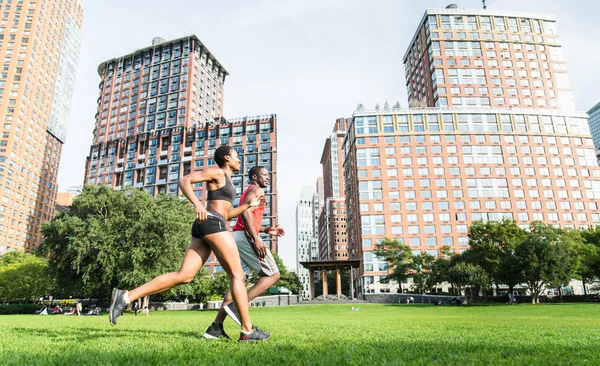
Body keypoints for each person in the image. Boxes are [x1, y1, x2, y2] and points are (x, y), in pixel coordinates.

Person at [109, 145, 270, 342]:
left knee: (184, 275)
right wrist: (198, 203)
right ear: (227, 157)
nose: (239, 160)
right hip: (212, 223)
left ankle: (125, 297)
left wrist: (247, 206)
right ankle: (247, 330)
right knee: (237, 275)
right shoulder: (217, 171)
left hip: (209, 224)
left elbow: (227, 214)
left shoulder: (227, 180)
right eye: (236, 157)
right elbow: (185, 180)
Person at [203, 166, 285, 340]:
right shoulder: (255, 190)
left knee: (237, 280)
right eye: (264, 174)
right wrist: (256, 240)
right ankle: (237, 306)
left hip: (239, 236)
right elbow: (246, 213)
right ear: (254, 176)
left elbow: (247, 218)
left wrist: (267, 229)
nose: (267, 177)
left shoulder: (251, 190)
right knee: (273, 274)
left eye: (268, 174)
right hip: (245, 238)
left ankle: (215, 328)